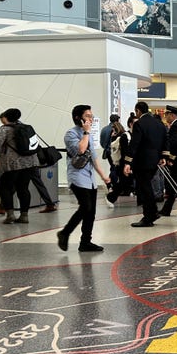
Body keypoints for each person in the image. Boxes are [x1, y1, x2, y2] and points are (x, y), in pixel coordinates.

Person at [56, 105, 110, 252]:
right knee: (85, 207)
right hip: (77, 177)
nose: (91, 119)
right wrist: (86, 132)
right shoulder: (71, 134)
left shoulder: (89, 135)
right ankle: (64, 233)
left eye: (92, 116)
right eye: (88, 116)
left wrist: (103, 176)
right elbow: (80, 150)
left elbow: (93, 157)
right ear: (78, 118)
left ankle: (85, 242)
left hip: (90, 178)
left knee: (91, 212)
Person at [124, 102, 167, 228]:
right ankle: (152, 212)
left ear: (138, 111)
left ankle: (149, 216)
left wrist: (128, 162)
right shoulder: (159, 123)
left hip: (142, 162)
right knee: (148, 187)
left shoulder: (139, 124)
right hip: (155, 161)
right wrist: (163, 156)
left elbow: (134, 144)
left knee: (144, 189)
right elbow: (165, 140)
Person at [0, 108, 39, 224]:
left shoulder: (4, 129)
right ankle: (24, 216)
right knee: (23, 188)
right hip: (29, 163)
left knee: (5, 187)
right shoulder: (26, 127)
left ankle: (10, 215)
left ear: (6, 117)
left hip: (12, 164)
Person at [100, 114, 120, 184]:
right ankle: (111, 182)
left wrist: (106, 147)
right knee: (115, 168)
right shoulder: (117, 129)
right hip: (114, 152)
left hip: (107, 151)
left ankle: (110, 182)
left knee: (112, 167)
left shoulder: (104, 129)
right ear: (117, 120)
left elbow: (101, 143)